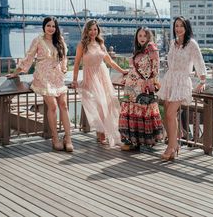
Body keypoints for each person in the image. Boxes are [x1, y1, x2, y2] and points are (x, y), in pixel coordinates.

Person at [7, 16, 73, 152]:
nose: (51, 28)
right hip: (43, 76)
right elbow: (29, 58)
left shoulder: (59, 40)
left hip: (57, 76)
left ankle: (68, 138)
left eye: (53, 26)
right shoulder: (38, 40)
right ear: (44, 27)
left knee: (64, 105)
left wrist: (64, 68)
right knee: (53, 106)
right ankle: (55, 138)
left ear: (56, 28)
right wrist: (16, 72)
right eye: (48, 25)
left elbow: (64, 57)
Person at [72, 19, 128, 146]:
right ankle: (101, 133)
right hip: (91, 77)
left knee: (108, 105)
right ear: (87, 30)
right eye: (91, 29)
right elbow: (76, 64)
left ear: (98, 30)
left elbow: (110, 61)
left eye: (95, 29)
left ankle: (108, 133)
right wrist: (75, 80)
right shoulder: (82, 45)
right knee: (99, 104)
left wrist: (122, 70)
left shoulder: (101, 44)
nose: (93, 32)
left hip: (102, 76)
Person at [157, 16, 206, 161]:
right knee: (167, 114)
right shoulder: (173, 43)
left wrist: (202, 80)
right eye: (176, 26)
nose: (178, 28)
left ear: (186, 28)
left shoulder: (191, 44)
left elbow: (199, 61)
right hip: (170, 80)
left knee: (171, 113)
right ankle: (175, 144)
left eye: (181, 26)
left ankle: (171, 146)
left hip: (182, 81)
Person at [119, 27, 163, 151]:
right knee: (131, 112)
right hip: (130, 87)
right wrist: (127, 76)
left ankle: (140, 141)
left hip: (141, 86)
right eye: (139, 36)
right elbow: (136, 68)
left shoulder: (151, 48)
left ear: (149, 37)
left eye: (144, 35)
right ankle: (133, 141)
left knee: (141, 112)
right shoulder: (138, 50)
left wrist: (150, 83)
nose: (142, 38)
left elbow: (155, 70)